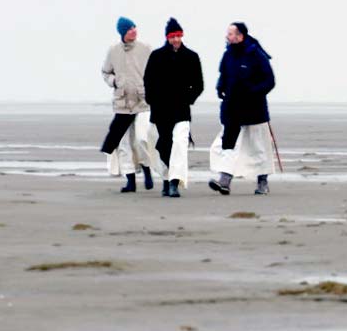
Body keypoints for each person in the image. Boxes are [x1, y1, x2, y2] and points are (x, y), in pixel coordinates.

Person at [209, 22, 276, 196]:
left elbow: (269, 81)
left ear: (240, 36)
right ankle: (224, 180)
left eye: (230, 34)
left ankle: (263, 182)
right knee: (228, 145)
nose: (227, 36)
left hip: (254, 110)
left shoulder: (256, 55)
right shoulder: (228, 55)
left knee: (259, 147)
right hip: (232, 109)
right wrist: (220, 87)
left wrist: (254, 92)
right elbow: (223, 75)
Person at [142, 17, 203, 197]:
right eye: (172, 36)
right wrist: (152, 100)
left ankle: (175, 183)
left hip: (182, 110)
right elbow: (148, 81)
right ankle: (167, 178)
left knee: (180, 144)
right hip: (161, 110)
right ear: (167, 37)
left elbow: (198, 84)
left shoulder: (191, 57)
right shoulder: (156, 56)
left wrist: (189, 98)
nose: (176, 39)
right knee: (163, 145)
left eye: (178, 36)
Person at [99, 17, 153, 193]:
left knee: (141, 139)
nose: (134, 30)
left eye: (135, 27)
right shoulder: (113, 51)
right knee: (123, 144)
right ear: (123, 32)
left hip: (143, 102)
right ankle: (130, 179)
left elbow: (156, 71)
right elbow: (106, 72)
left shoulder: (145, 48)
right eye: (130, 28)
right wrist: (115, 81)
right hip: (122, 104)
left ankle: (146, 169)